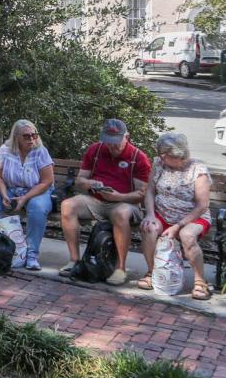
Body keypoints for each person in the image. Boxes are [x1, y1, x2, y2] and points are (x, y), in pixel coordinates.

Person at [59, 118, 151, 284]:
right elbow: (80, 181)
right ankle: (75, 260)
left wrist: (118, 197)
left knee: (121, 213)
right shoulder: (95, 150)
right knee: (68, 205)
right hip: (96, 200)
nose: (112, 146)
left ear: (127, 137)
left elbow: (142, 194)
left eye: (116, 142)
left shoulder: (138, 157)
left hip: (127, 204)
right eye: (108, 141)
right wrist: (89, 183)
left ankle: (120, 268)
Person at [137, 132, 213, 299]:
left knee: (187, 235)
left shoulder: (197, 170)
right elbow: (150, 190)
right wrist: (150, 214)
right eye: (161, 155)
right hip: (163, 213)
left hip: (192, 217)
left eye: (166, 156)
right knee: (148, 227)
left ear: (178, 155)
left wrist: (178, 226)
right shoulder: (159, 164)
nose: (162, 158)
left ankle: (201, 283)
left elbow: (202, 205)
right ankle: (152, 273)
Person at [0, 119, 55, 271]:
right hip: (10, 188)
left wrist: (25, 198)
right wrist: (3, 195)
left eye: (34, 135)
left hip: (37, 190)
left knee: (37, 208)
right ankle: (2, 247)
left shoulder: (41, 151)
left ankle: (31, 255)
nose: (32, 139)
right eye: (26, 136)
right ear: (16, 137)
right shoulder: (5, 150)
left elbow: (47, 182)